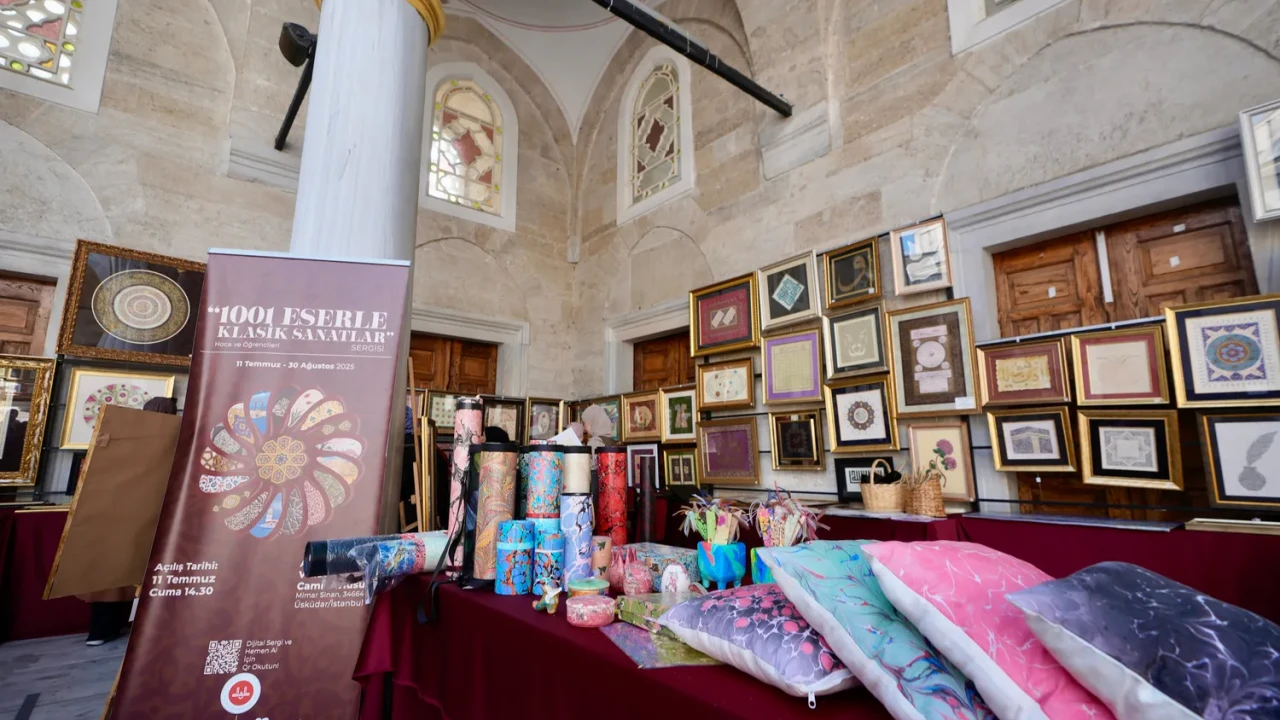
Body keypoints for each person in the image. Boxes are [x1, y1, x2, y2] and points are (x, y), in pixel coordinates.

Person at [82, 395, 178, 646]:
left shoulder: (125, 435)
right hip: (156, 514)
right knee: (149, 571)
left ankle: (102, 630)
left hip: (116, 513)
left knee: (113, 573)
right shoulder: (174, 439)